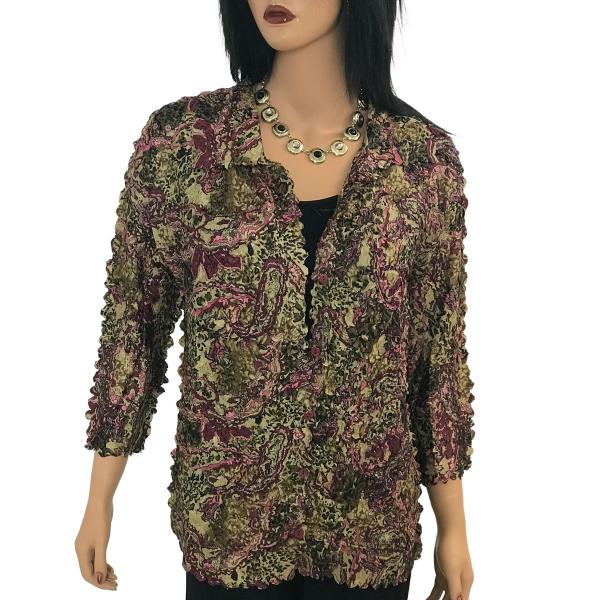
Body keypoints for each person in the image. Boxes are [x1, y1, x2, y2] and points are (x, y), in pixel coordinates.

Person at [74, 1, 476, 599]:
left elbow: (436, 360)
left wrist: (454, 524)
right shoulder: (186, 144)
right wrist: (99, 497)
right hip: (228, 524)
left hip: (368, 526)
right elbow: (133, 327)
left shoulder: (420, 163)